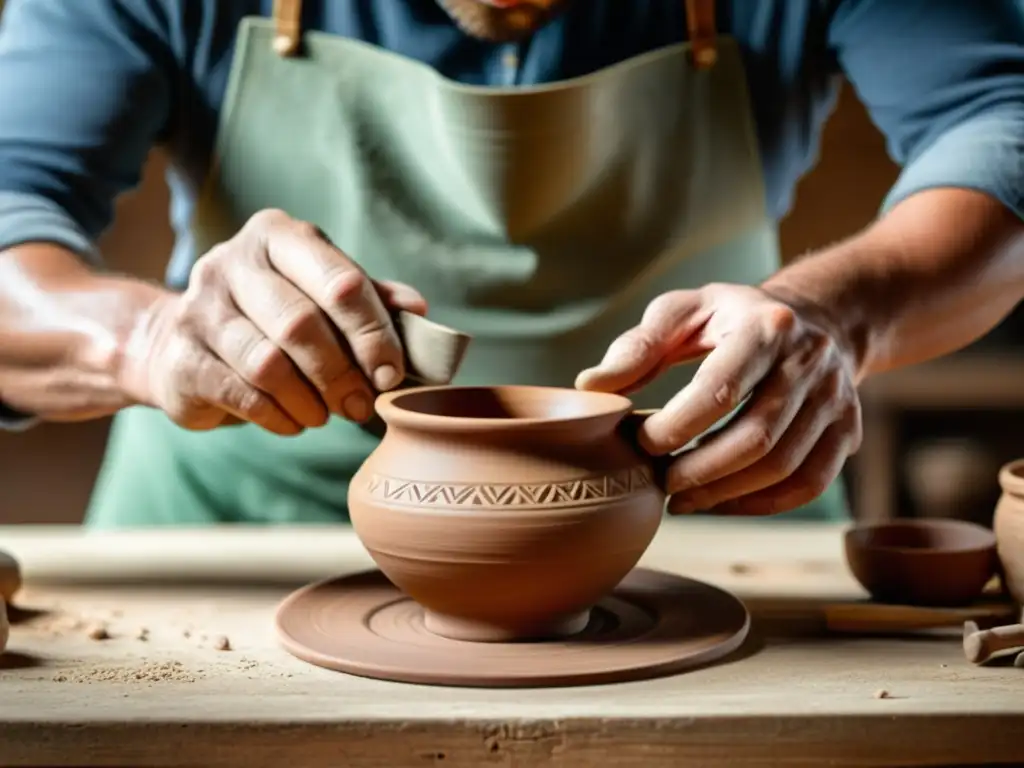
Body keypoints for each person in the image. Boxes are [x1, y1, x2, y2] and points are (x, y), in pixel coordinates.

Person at [0, 0, 1022, 528]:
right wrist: (150, 338)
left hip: (683, 517)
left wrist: (836, 319)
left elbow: (1000, 119)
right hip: (236, 531)